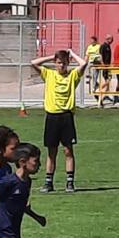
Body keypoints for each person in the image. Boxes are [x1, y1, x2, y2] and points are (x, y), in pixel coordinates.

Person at [30, 48, 88, 193]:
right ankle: (49, 182)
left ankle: (70, 182)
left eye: (64, 63)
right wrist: (51, 57)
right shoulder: (49, 74)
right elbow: (33, 63)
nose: (61, 66)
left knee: (68, 151)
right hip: (52, 117)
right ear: (55, 63)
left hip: (66, 117)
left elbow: (84, 64)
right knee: (51, 151)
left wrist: (73, 54)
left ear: (68, 63)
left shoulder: (73, 75)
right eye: (58, 63)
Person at [85, 36, 103, 104]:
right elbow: (87, 55)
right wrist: (85, 61)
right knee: (93, 76)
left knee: (96, 76)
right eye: (91, 40)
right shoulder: (89, 47)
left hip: (97, 62)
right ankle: (94, 85)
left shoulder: (98, 46)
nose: (91, 42)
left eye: (93, 40)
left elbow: (100, 54)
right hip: (91, 62)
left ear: (95, 41)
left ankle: (95, 86)